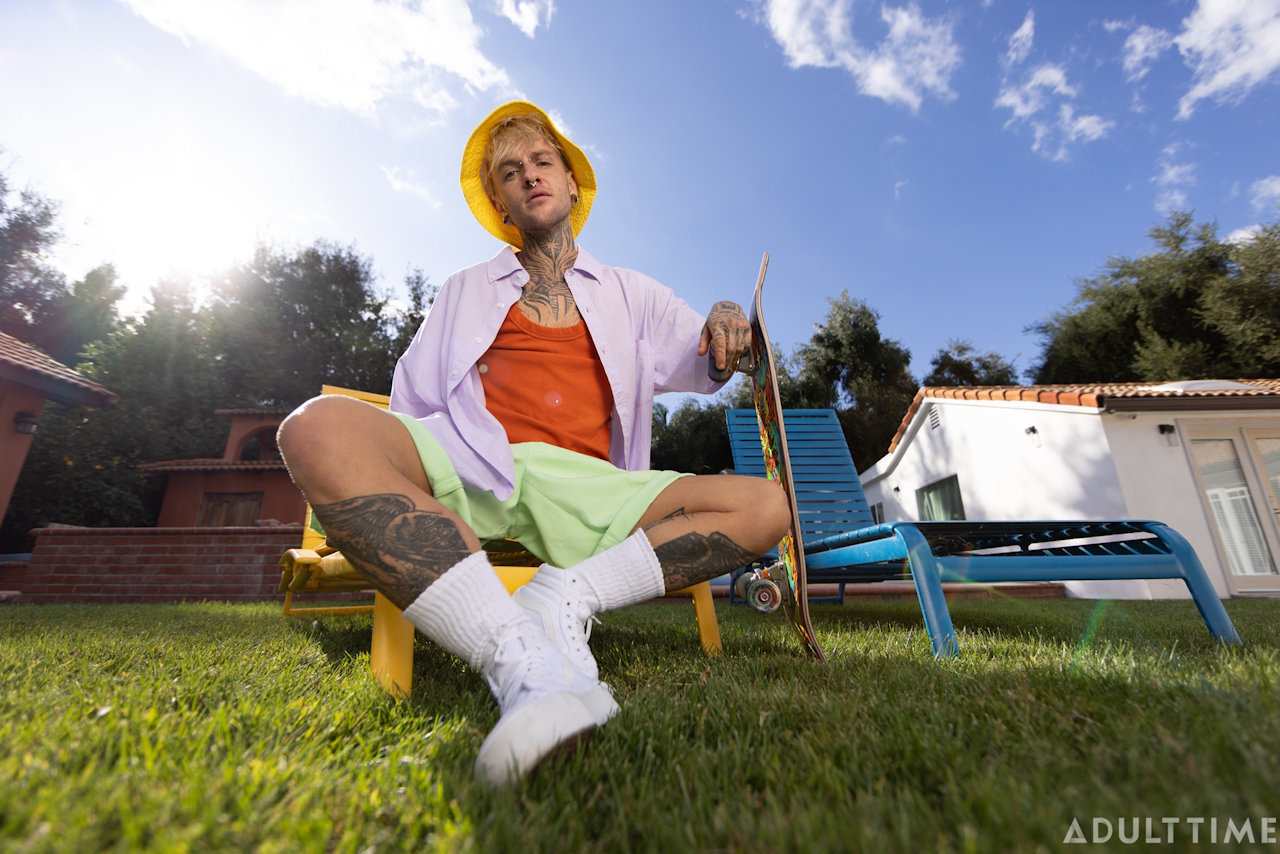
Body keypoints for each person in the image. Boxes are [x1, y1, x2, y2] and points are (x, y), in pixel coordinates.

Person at [277, 101, 790, 786]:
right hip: (472, 463)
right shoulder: (463, 289)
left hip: (590, 486)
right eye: (510, 172)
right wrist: (397, 487)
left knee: (767, 507)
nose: (530, 175)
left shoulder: (633, 293)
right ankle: (518, 658)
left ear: (572, 182)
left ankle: (563, 596)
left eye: (542, 162)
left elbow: (714, 358)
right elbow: (411, 405)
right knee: (314, 426)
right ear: (501, 203)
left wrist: (726, 314)